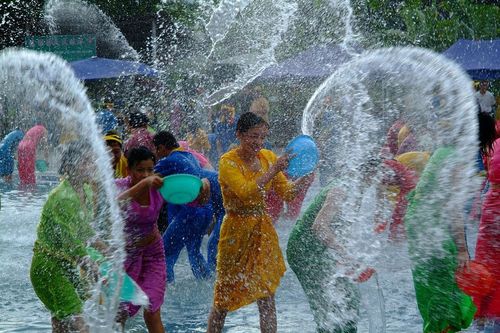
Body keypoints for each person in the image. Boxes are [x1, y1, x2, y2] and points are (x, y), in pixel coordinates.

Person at [206, 112, 313, 333]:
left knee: (266, 295)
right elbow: (245, 192)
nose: (259, 142)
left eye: (263, 137)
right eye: (253, 136)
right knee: (222, 299)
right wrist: (274, 170)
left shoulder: (267, 157)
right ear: (239, 134)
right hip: (235, 232)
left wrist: (305, 180)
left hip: (262, 232)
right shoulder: (228, 162)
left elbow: (288, 193)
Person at [287, 177, 378, 333]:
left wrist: (346, 259)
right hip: (304, 251)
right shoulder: (340, 189)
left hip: (322, 249)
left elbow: (342, 227)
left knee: (349, 299)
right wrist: (347, 256)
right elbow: (320, 226)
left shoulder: (357, 189)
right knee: (328, 308)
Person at [30, 142, 103, 333]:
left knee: (62, 323)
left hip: (64, 265)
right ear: (71, 166)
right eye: (86, 161)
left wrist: (109, 250)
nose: (92, 165)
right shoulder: (63, 197)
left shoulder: (85, 191)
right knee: (81, 327)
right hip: (49, 268)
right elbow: (70, 242)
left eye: (92, 160)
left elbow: (83, 231)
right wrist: (89, 265)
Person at [404, 145, 477, 333]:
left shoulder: (442, 152)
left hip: (418, 224)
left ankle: (435, 326)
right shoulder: (457, 157)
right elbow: (454, 208)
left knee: (430, 288)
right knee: (447, 290)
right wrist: (462, 249)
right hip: (431, 228)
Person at [153, 131, 223, 279]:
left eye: (156, 149)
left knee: (165, 252)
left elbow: (148, 179)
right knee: (194, 251)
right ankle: (208, 282)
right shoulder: (189, 155)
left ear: (161, 147)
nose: (156, 153)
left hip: (190, 213)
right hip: (205, 211)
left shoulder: (168, 160)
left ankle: (165, 289)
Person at [115, 147, 166, 333]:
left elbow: (188, 194)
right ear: (129, 170)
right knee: (119, 312)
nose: (146, 175)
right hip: (125, 257)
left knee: (152, 310)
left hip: (153, 254)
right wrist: (144, 185)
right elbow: (115, 204)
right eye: (140, 170)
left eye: (150, 170)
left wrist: (203, 186)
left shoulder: (158, 187)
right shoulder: (119, 186)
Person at [472, 119, 500, 331]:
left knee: (487, 264)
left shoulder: (494, 146)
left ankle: (482, 316)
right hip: (494, 208)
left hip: (490, 208)